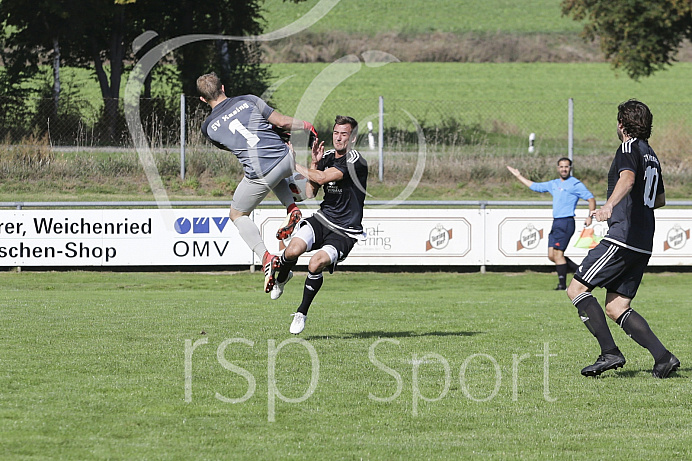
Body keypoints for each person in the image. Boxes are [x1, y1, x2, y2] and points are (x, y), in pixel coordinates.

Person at [566, 99, 679, 378]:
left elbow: (627, 180)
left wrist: (609, 206)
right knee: (617, 306)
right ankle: (663, 358)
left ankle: (610, 353)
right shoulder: (650, 154)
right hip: (643, 241)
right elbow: (660, 199)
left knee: (577, 289)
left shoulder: (628, 147)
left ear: (621, 124)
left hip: (622, 237)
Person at [197, 72, 317, 292]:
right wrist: (307, 125)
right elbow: (281, 122)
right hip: (285, 158)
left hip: (262, 171)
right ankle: (291, 207)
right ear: (223, 87)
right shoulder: (248, 99)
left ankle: (266, 258)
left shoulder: (208, 128)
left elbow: (234, 146)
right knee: (275, 173)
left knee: (237, 214)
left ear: (203, 100)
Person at [269, 115, 367, 335]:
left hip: (345, 231)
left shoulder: (356, 161)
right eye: (336, 133)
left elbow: (323, 178)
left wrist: (292, 163)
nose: (339, 138)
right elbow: (311, 192)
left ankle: (301, 313)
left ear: (353, 138)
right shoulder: (328, 156)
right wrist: (314, 162)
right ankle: (283, 278)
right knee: (292, 250)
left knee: (315, 263)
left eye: (344, 134)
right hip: (322, 219)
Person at [507, 158, 596, 290]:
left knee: (558, 254)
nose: (564, 169)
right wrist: (519, 176)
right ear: (557, 168)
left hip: (566, 222)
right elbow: (536, 187)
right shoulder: (554, 183)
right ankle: (581, 272)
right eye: (561, 166)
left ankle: (562, 286)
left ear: (570, 168)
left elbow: (591, 198)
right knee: (551, 256)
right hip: (557, 222)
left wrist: (590, 216)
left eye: (566, 167)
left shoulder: (575, 184)